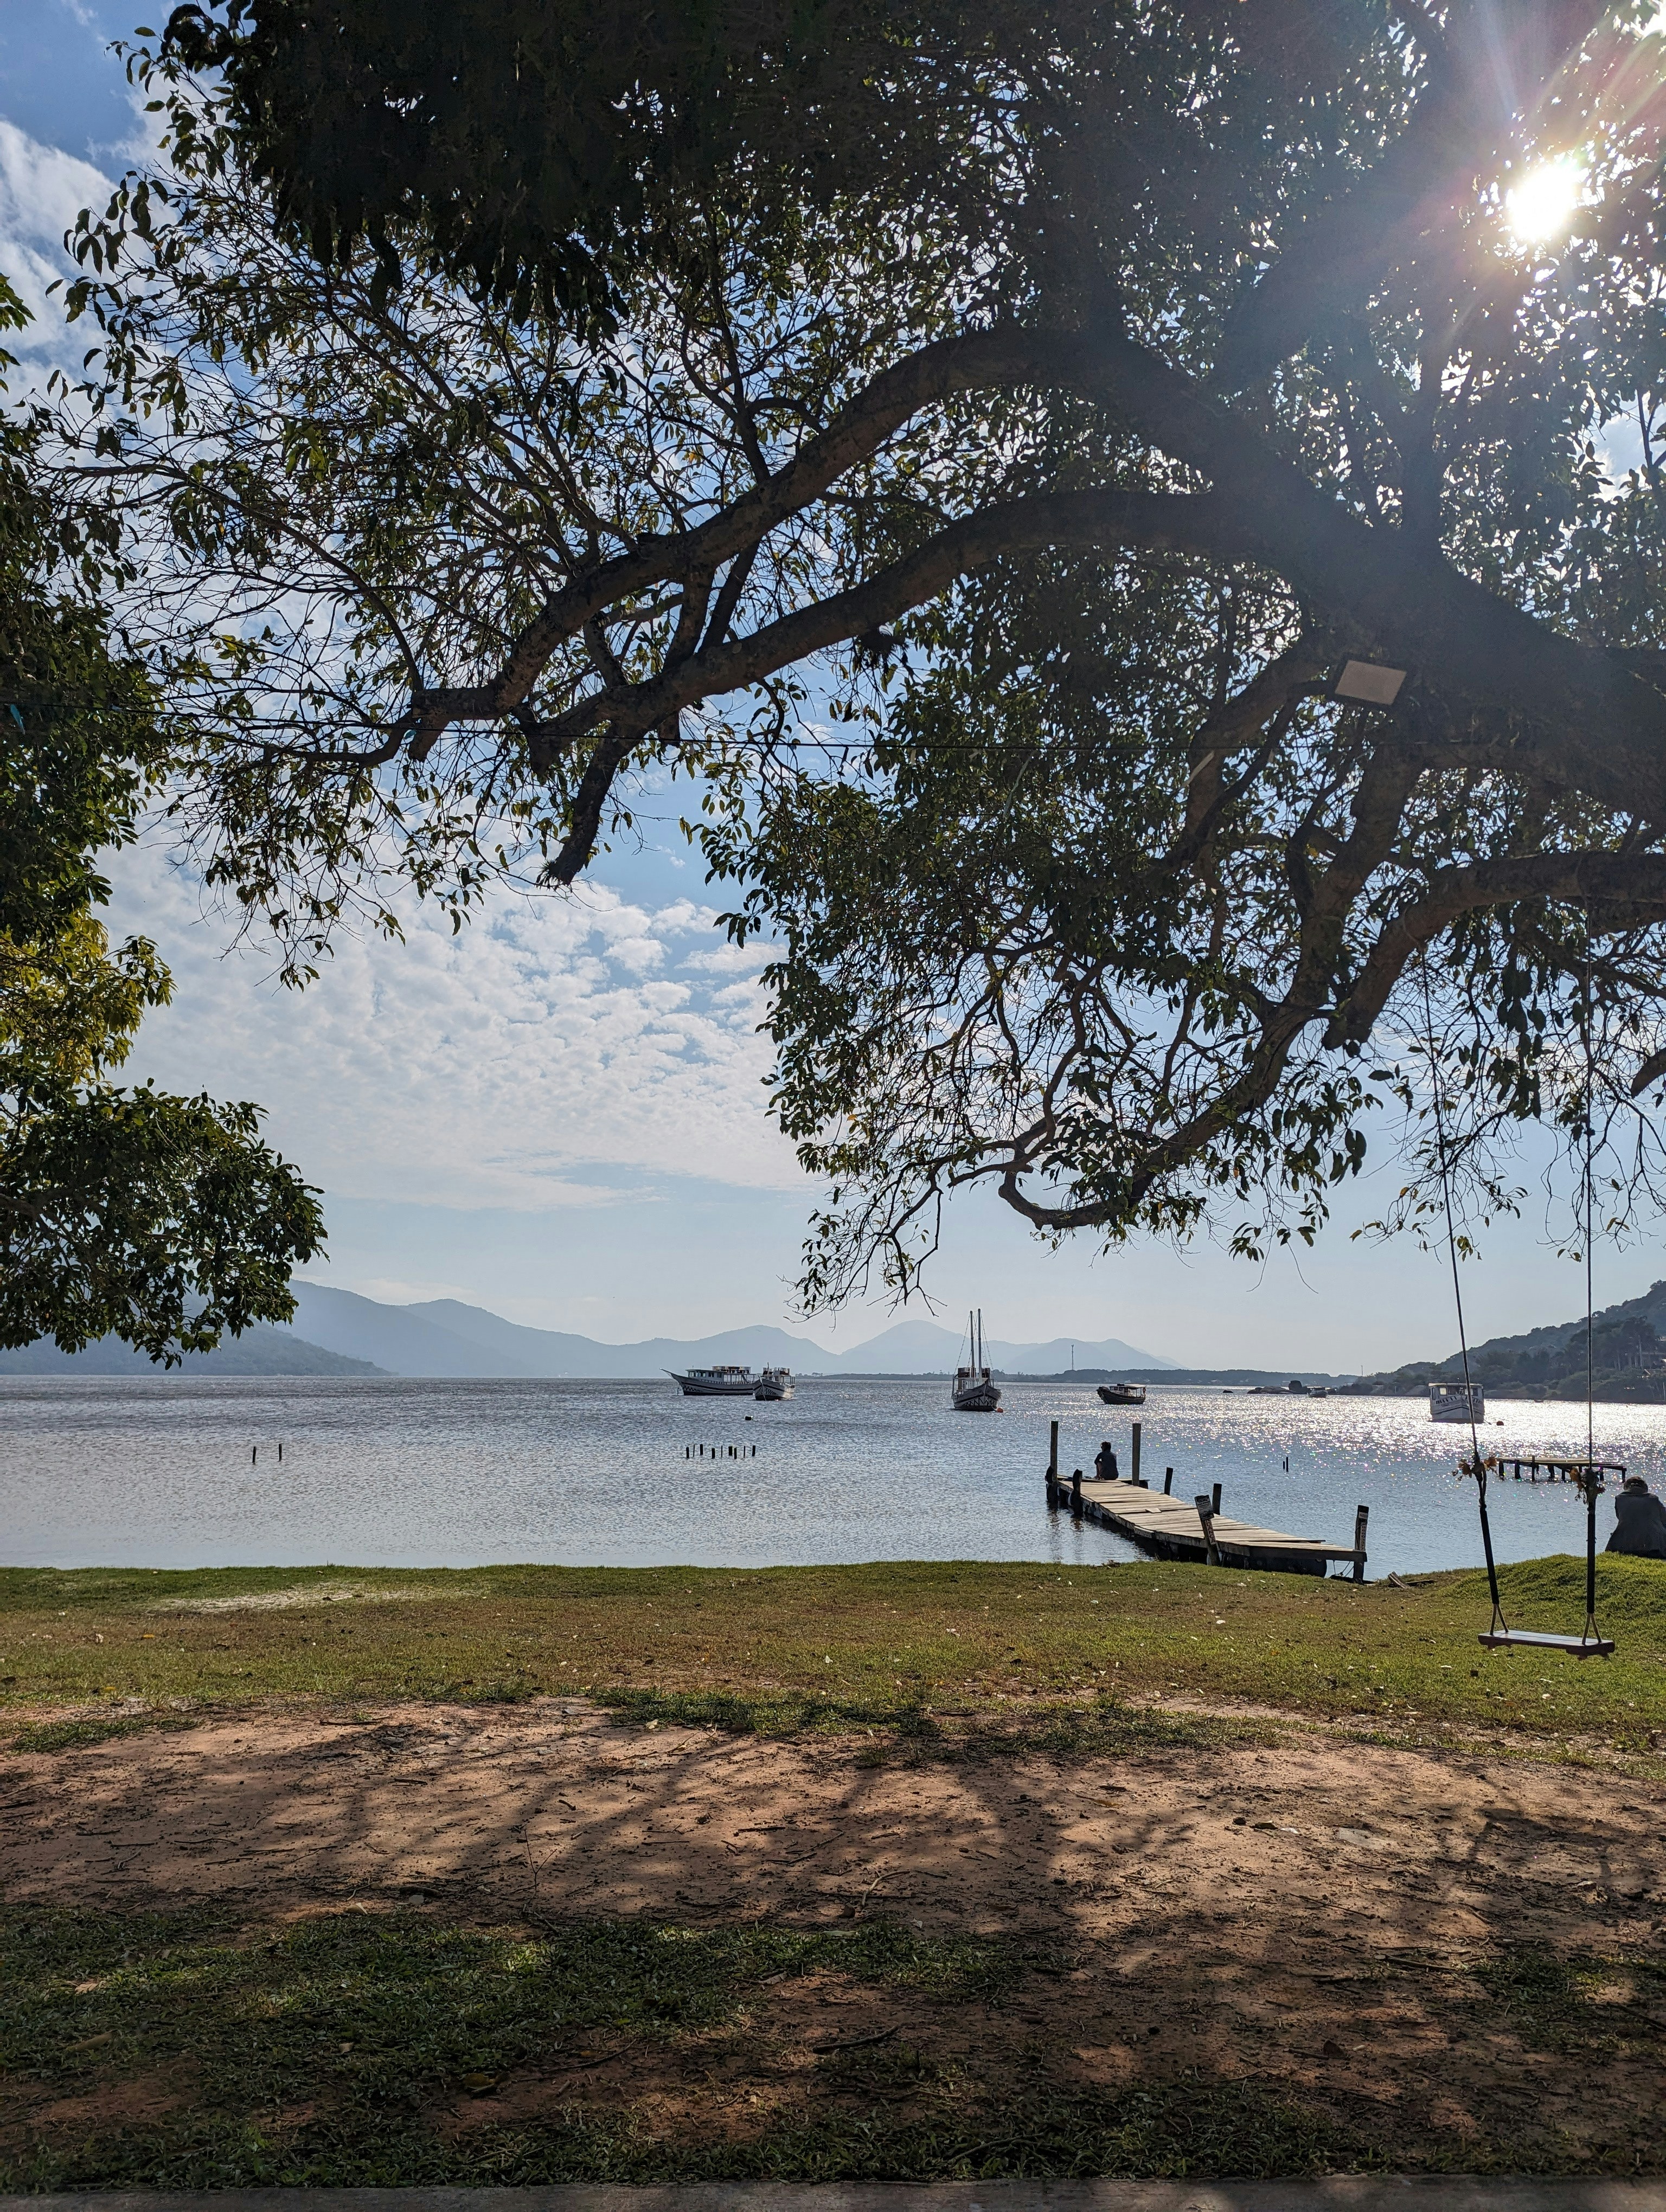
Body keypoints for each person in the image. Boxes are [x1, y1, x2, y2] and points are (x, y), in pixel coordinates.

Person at [1605, 1476, 1666, 1559]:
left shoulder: (1620, 1499)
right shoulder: (1653, 1499)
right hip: (1653, 1545)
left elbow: (1620, 1517)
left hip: (1623, 1543)